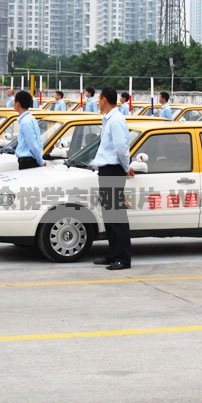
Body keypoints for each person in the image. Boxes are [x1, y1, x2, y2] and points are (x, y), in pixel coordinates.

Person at [90, 86, 132, 271]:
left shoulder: (116, 121)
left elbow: (121, 148)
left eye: (99, 99)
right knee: (109, 216)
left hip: (114, 170)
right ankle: (112, 254)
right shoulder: (108, 119)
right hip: (106, 170)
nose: (98, 102)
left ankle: (123, 258)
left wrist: (125, 167)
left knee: (116, 217)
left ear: (104, 100)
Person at [14, 90, 44, 169]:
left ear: (18, 104)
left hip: (27, 161)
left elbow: (33, 144)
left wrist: (40, 161)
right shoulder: (30, 118)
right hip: (30, 160)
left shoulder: (25, 122)